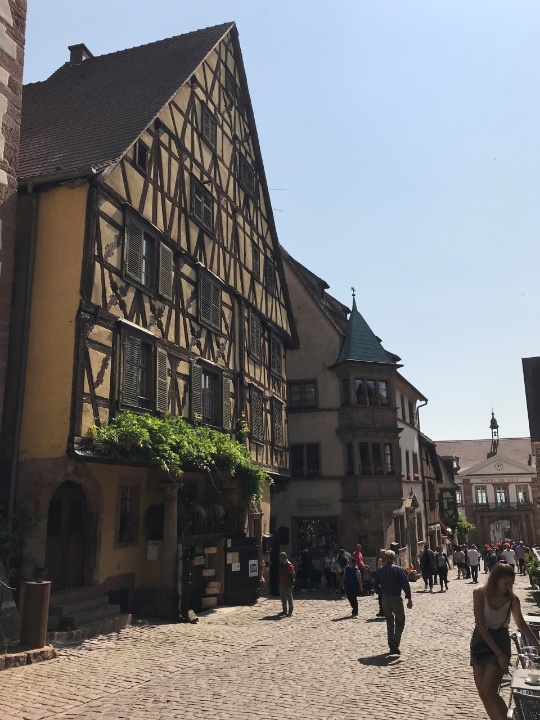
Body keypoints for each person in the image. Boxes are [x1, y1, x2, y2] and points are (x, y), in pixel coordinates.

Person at [471, 563, 540, 720]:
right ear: (496, 579)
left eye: (511, 584)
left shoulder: (512, 600)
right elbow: (480, 624)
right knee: (482, 693)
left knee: (489, 691)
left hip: (500, 641)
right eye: (506, 583)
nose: (509, 587)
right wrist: (498, 653)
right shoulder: (479, 593)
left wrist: (537, 645)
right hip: (481, 640)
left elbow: (521, 624)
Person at [373, 550, 413, 655]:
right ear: (394, 558)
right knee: (400, 621)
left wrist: (381, 593)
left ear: (386, 558)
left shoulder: (381, 570)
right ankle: (395, 641)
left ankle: (392, 646)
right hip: (396, 597)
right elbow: (405, 584)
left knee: (389, 622)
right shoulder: (397, 570)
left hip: (385, 598)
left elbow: (375, 584)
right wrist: (409, 598)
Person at [278, 552, 295, 616]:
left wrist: (292, 581)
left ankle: (290, 611)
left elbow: (293, 574)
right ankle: (284, 611)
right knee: (283, 598)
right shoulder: (281, 564)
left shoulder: (289, 565)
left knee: (289, 598)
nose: (280, 559)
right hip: (281, 583)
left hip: (288, 584)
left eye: (281, 557)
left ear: (284, 558)